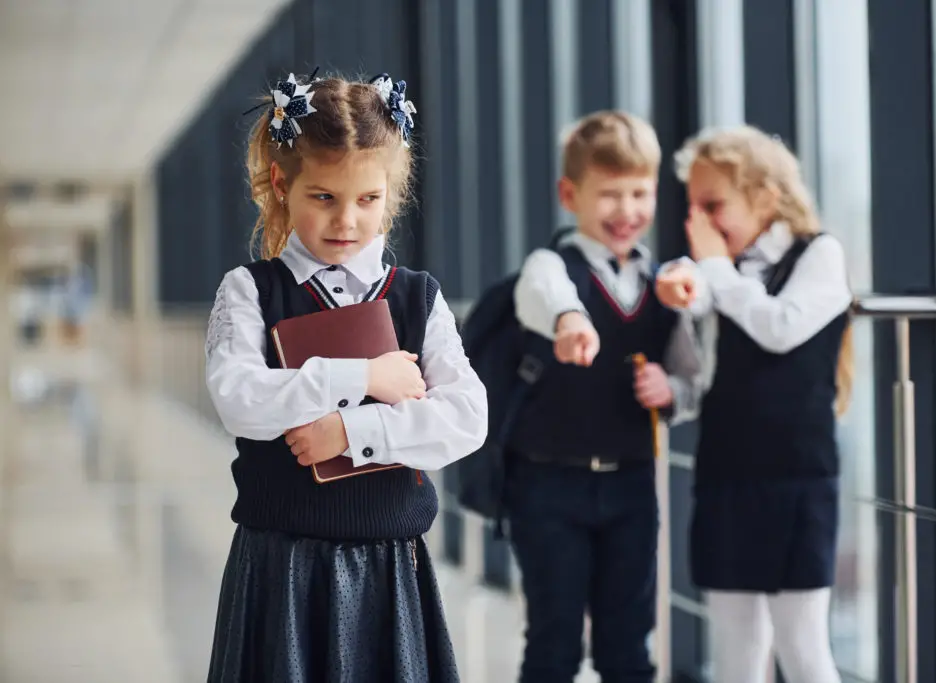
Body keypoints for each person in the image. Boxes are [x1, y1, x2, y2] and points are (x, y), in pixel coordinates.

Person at [203, 69, 487, 683]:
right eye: (323, 197)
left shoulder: (417, 298)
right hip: (281, 568)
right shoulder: (250, 291)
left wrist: (352, 431)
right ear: (282, 184)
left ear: (392, 192)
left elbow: (467, 418)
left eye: (368, 200)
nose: (347, 221)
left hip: (390, 569)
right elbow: (239, 400)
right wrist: (361, 375)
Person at [508, 110, 703, 683]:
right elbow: (542, 293)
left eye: (639, 192)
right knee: (553, 642)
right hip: (548, 484)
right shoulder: (553, 265)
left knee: (628, 646)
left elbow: (692, 377)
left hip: (632, 484)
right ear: (570, 194)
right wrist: (571, 319)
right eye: (610, 194)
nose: (627, 210)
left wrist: (672, 391)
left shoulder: (666, 284)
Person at [655, 125, 852, 683]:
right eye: (693, 209)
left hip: (798, 477)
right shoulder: (717, 267)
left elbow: (781, 327)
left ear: (765, 196)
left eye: (713, 205)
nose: (701, 225)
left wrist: (713, 269)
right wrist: (681, 279)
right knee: (736, 650)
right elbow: (689, 280)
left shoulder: (820, 254)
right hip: (728, 472)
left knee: (803, 644)